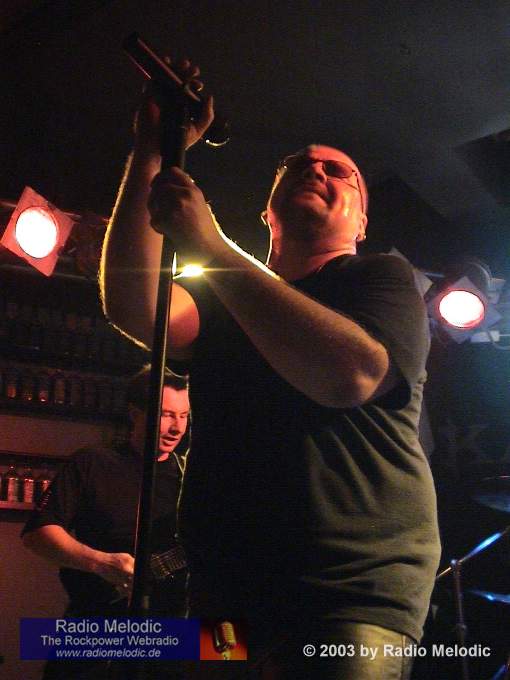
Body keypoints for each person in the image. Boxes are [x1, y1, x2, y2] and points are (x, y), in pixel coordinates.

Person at [100, 60, 441, 680]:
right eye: (299, 166)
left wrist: (210, 245)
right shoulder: (222, 299)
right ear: (267, 212)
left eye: (338, 171)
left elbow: (351, 374)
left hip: (348, 592)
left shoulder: (379, 277)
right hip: (226, 591)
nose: (316, 170)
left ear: (362, 222)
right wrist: (151, 147)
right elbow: (132, 304)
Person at [22, 366, 190, 680]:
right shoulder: (92, 462)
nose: (177, 428)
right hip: (95, 626)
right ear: (135, 414)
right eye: (167, 415)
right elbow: (37, 533)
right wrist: (101, 563)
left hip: (170, 633)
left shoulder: (190, 476)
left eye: (184, 416)